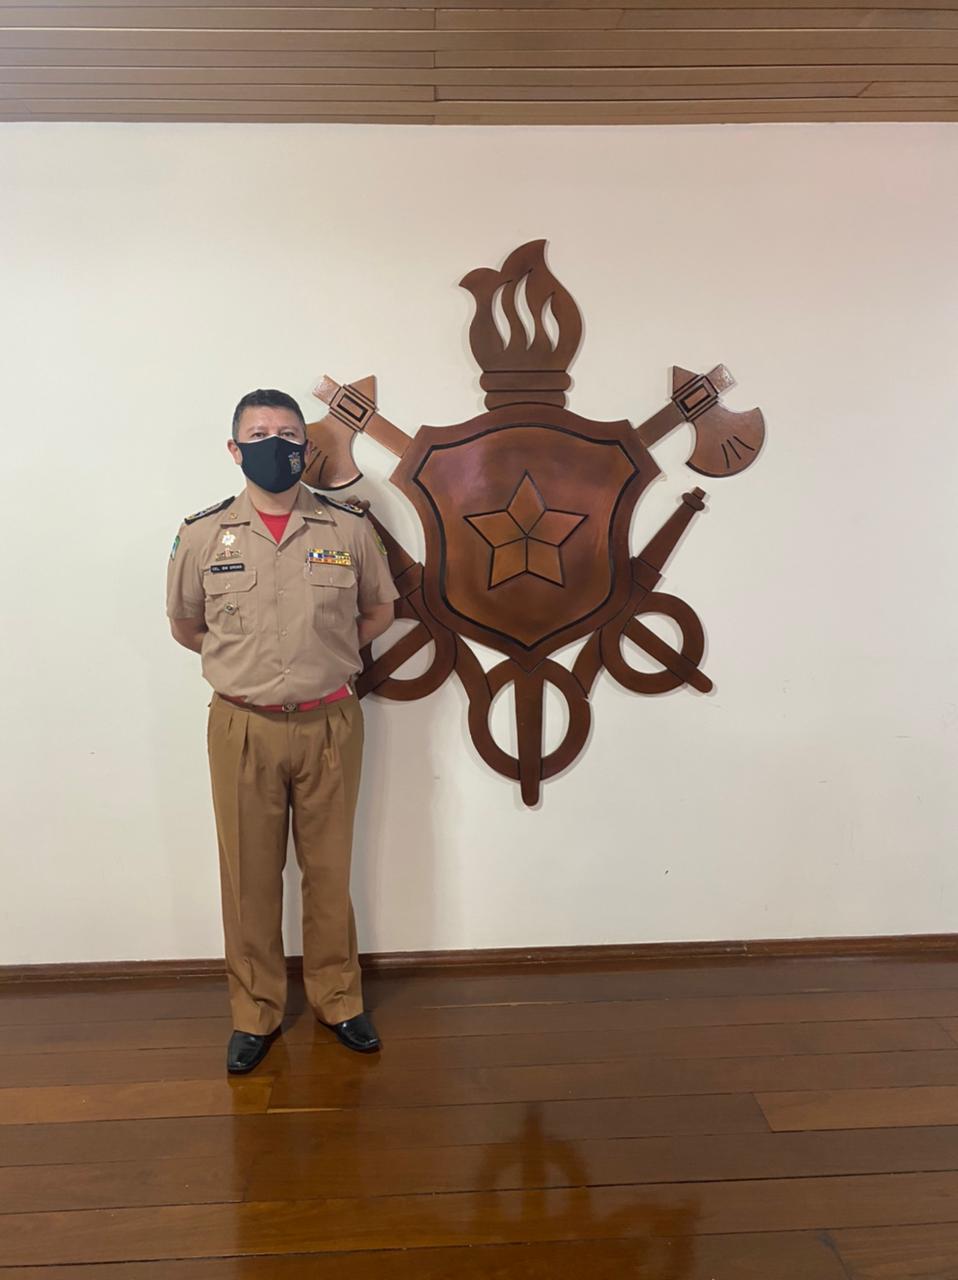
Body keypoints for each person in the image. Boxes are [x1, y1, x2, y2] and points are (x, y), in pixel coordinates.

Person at [166, 388, 398, 1074]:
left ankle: (338, 1000)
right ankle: (255, 1011)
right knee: (249, 877)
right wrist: (248, 666)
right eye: (260, 433)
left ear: (305, 446)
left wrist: (325, 656)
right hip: (242, 727)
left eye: (289, 434)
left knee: (329, 870)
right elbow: (186, 625)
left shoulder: (347, 528)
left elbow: (379, 611)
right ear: (235, 450)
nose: (276, 444)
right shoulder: (202, 535)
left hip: (330, 722)